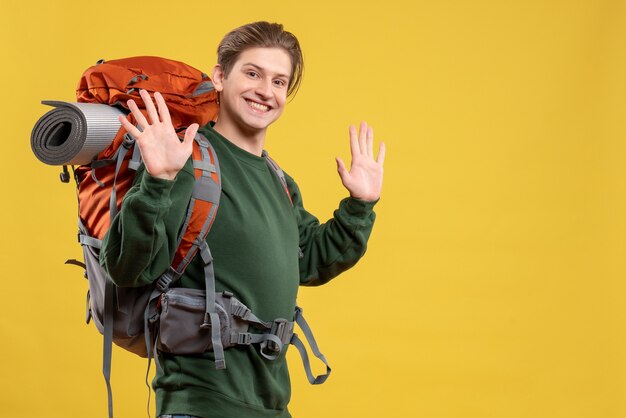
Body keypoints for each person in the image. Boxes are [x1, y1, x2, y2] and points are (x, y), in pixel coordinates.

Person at [102, 21, 385, 418]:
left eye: (279, 81)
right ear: (220, 76)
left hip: (270, 404)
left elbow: (311, 260)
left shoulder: (279, 180)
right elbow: (126, 268)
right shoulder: (187, 162)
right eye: (252, 73)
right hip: (202, 403)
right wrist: (158, 181)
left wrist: (360, 204)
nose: (265, 91)